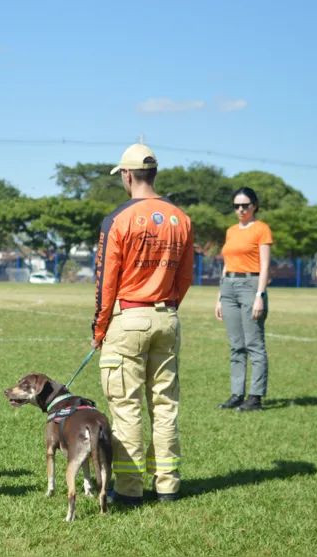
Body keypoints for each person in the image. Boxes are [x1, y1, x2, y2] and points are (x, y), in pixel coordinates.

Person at [91, 143, 194, 505]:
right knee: (165, 405)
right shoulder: (181, 218)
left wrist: (99, 329)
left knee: (127, 406)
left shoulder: (118, 218)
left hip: (128, 318)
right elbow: (185, 278)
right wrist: (167, 308)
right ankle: (167, 485)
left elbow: (106, 281)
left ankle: (130, 489)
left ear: (127, 175)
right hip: (168, 317)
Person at [215, 187, 272, 412]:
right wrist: (220, 297)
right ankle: (237, 394)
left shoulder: (262, 229)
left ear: (254, 206)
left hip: (251, 285)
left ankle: (255, 397)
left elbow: (265, 265)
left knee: (254, 344)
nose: (240, 210)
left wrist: (260, 295)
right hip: (228, 286)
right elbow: (227, 264)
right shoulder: (231, 231)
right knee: (236, 345)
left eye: (245, 205)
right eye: (236, 206)